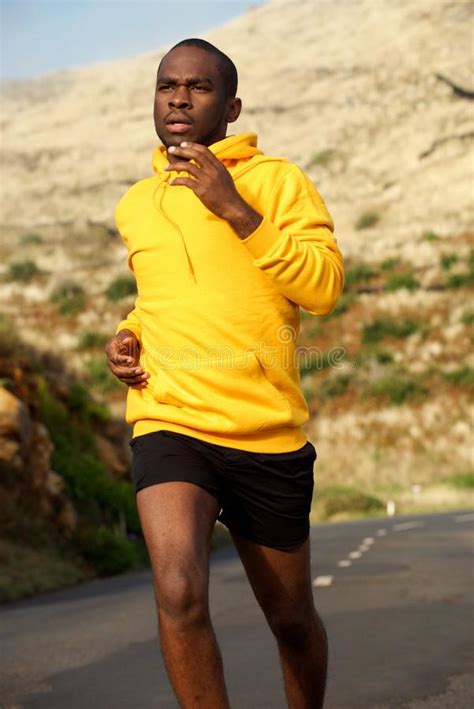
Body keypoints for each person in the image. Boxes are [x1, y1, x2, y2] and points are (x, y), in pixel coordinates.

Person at [105, 37, 344, 708]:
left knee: (292, 619)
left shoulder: (277, 181)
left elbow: (323, 286)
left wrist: (237, 209)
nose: (179, 96)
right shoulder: (137, 204)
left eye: (199, 86)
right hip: (169, 415)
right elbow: (160, 298)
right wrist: (129, 334)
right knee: (178, 590)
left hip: (264, 432)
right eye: (167, 85)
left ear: (231, 105)